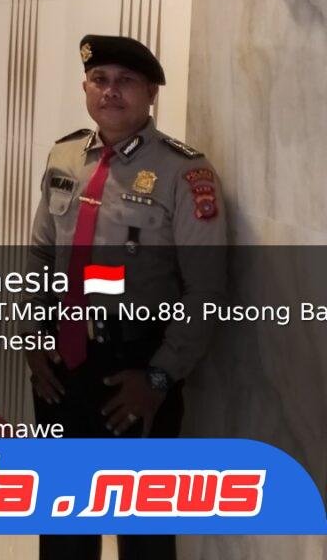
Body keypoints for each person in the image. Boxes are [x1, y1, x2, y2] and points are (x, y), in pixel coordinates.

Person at [25, 35, 227, 560]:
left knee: (143, 534)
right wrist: (32, 338)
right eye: (100, 79)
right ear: (85, 88)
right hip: (61, 365)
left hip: (135, 370)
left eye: (126, 81)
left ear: (152, 93)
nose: (110, 91)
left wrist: (159, 378)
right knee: (63, 523)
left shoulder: (185, 172)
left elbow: (205, 291)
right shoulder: (65, 155)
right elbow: (40, 254)